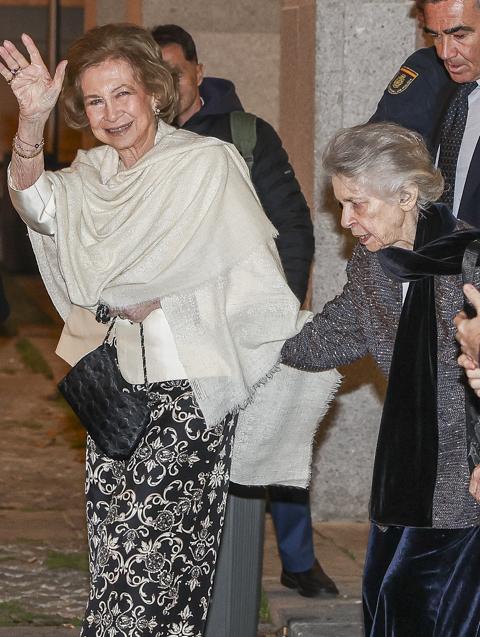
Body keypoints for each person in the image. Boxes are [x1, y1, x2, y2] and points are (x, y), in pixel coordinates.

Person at [1, 24, 339, 637]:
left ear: (154, 93)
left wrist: (167, 300)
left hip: (188, 402)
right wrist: (29, 123)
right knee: (113, 567)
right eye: (96, 101)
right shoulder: (93, 174)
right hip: (115, 399)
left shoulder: (207, 165)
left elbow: (257, 285)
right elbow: (36, 205)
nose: (111, 113)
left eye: (123, 93)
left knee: (164, 579)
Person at [151, 23, 337, 598]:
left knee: (276, 432)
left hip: (250, 321)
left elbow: (294, 226)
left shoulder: (246, 135)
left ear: (198, 73)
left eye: (175, 75)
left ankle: (298, 559)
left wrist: (275, 315)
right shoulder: (135, 139)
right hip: (175, 330)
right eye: (152, 77)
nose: (165, 88)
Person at [281, 121, 480, 636]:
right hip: (404, 482)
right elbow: (330, 337)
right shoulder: (375, 267)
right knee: (384, 600)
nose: (346, 221)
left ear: (407, 196)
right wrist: (249, 343)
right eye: (341, 205)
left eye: (357, 204)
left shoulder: (471, 264)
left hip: (467, 484)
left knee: (419, 604)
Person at [373, 0, 480, 227]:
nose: (444, 52)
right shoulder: (426, 70)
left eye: (459, 36)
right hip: (427, 254)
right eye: (436, 36)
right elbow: (371, 156)